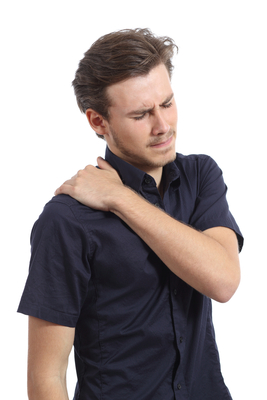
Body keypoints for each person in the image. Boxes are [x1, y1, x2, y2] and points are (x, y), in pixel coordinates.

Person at [18, 28, 243, 400]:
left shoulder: (200, 176)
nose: (163, 126)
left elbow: (223, 281)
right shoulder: (66, 220)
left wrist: (121, 200)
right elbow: (46, 377)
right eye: (141, 114)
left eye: (167, 103)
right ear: (97, 122)